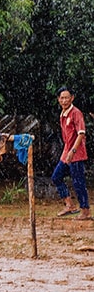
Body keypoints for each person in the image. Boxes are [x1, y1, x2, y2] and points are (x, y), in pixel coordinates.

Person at [51, 86, 90, 220]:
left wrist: (73, 151)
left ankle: (85, 210)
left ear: (72, 98)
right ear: (58, 99)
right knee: (56, 176)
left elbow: (81, 133)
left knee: (78, 182)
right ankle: (69, 205)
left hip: (76, 153)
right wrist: (67, 152)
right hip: (67, 151)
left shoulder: (76, 113)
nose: (64, 100)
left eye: (67, 97)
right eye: (62, 98)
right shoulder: (63, 114)